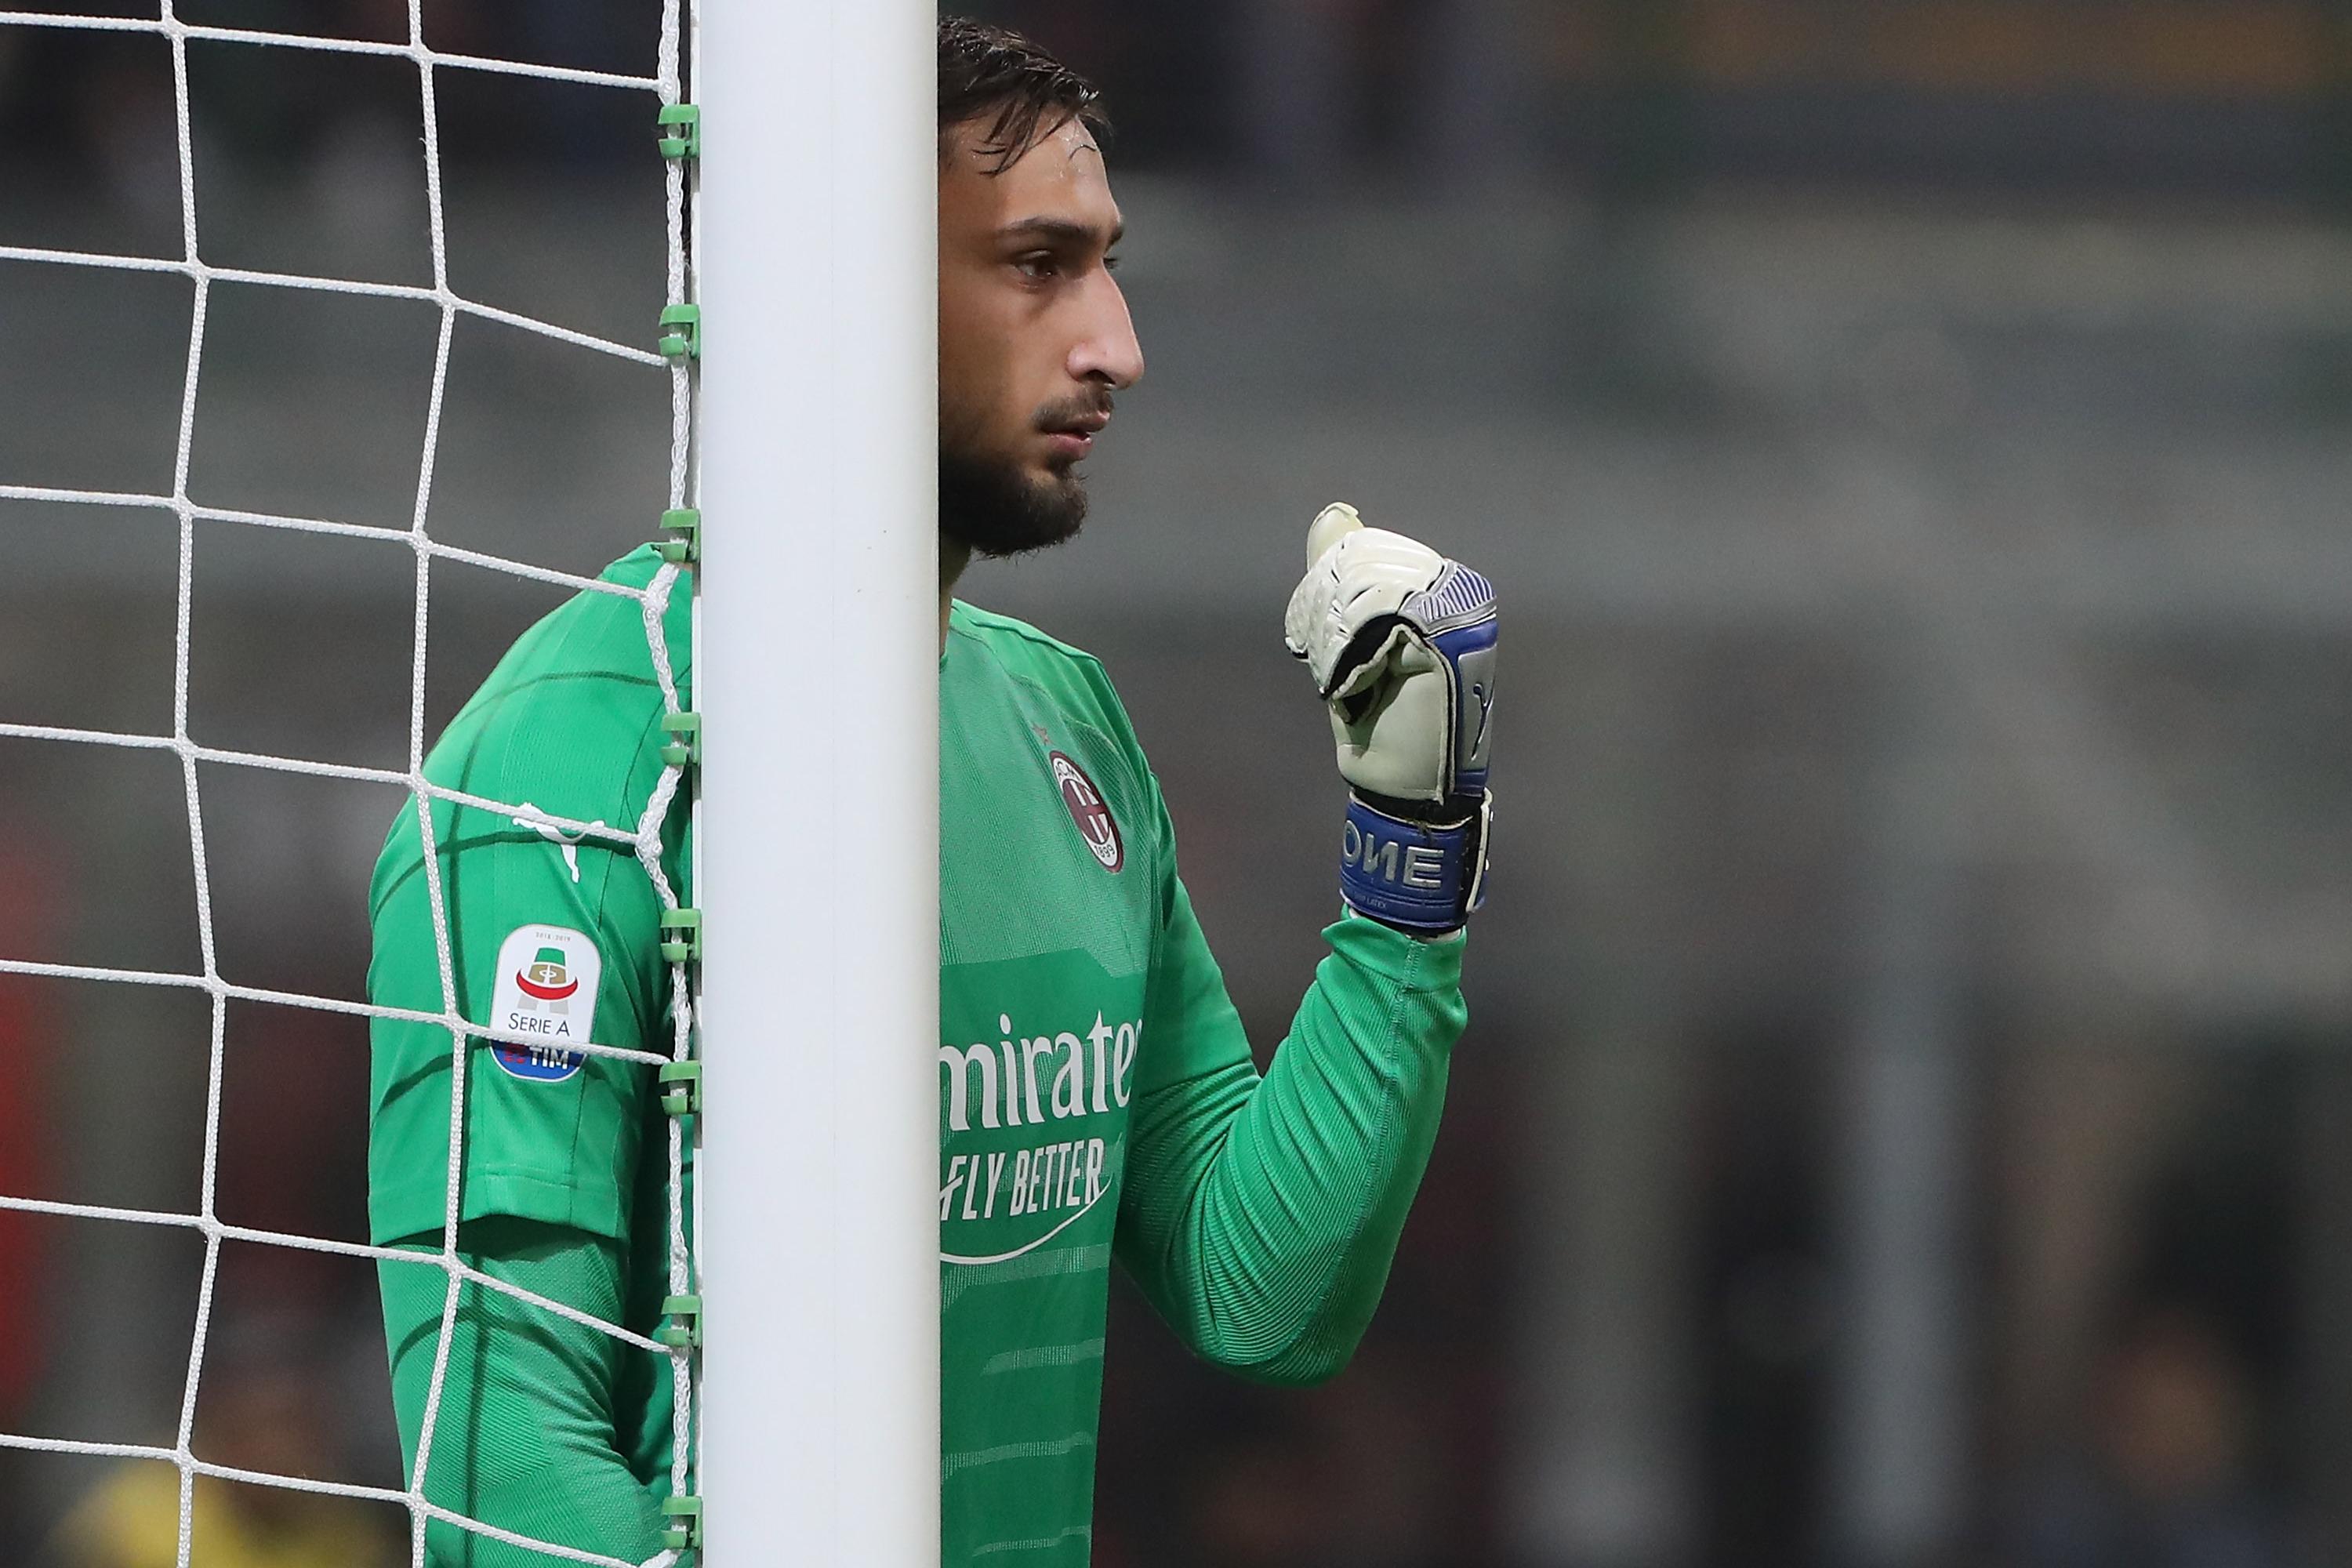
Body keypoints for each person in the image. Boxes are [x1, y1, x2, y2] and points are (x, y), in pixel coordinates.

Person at [366, 16, 1497, 1563]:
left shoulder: (1060, 719)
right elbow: (500, 1444)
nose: (1117, 342)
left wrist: (1411, 858)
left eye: (1104, 263)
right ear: (837, 280)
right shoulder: (568, 758)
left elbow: (1258, 1291)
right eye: (1037, 265)